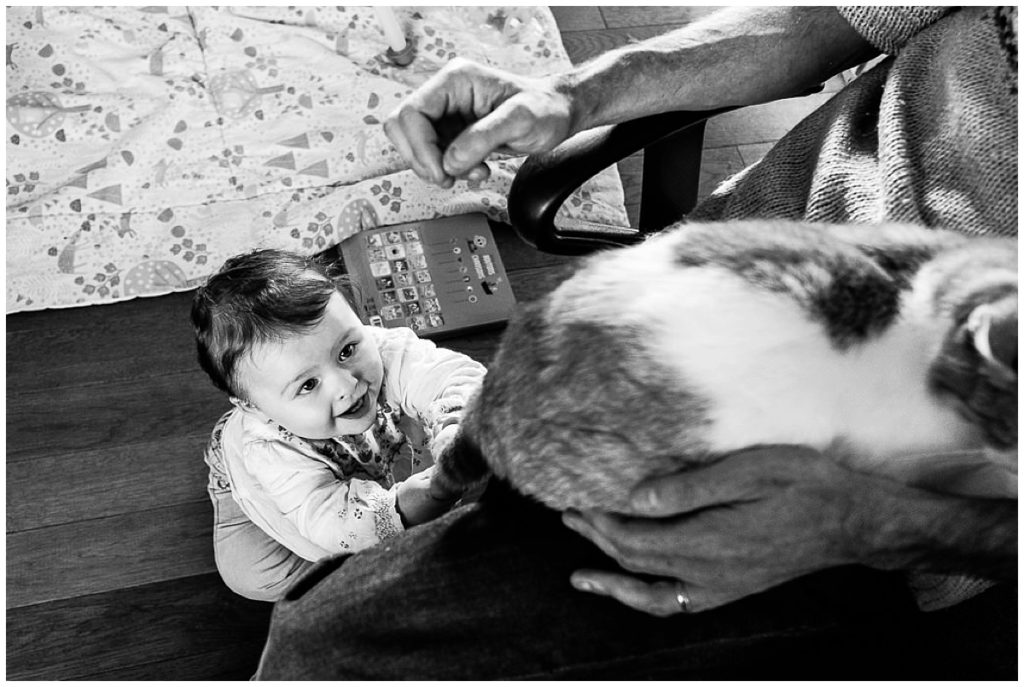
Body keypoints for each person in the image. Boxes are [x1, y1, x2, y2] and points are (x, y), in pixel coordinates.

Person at [254, 7, 1016, 678]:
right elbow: (837, 17)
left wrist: (875, 522)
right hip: (683, 339)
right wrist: (573, 92)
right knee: (317, 629)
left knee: (324, 651)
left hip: (887, 518)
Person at [191, 248, 485, 601]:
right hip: (268, 485)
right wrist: (416, 499)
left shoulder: (382, 350)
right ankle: (228, 486)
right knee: (253, 575)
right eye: (308, 385)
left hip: (374, 453)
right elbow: (330, 521)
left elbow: (453, 376)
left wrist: (455, 425)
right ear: (255, 407)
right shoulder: (269, 449)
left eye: (346, 350)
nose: (348, 385)